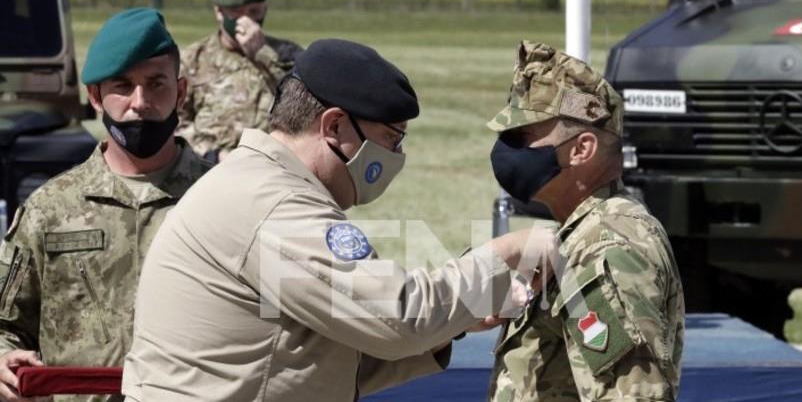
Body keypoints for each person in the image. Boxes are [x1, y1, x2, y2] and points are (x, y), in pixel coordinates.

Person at [122, 38, 554, 402]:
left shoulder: (259, 185)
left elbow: (326, 358)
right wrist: (504, 253)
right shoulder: (273, 205)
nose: (397, 158)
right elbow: (399, 318)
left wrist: (451, 324)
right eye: (390, 140)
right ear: (334, 127)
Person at [0, 8, 211, 402]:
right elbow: (6, 322)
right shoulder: (50, 209)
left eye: (156, 84)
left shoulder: (221, 199)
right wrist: (3, 358)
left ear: (180, 93)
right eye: (123, 86)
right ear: (95, 97)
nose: (140, 102)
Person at [485, 41, 685, 402]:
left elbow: (632, 395)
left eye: (523, 138)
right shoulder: (579, 233)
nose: (507, 151)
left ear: (582, 149)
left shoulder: (608, 246)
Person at [177, 0, 303, 162]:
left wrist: (262, 54)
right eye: (236, 12)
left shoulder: (288, 55)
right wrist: (213, 155)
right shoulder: (191, 59)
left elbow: (302, 106)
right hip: (209, 166)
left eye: (254, 11)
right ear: (219, 12)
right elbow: (177, 121)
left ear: (265, 9)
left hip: (272, 164)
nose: (246, 21)